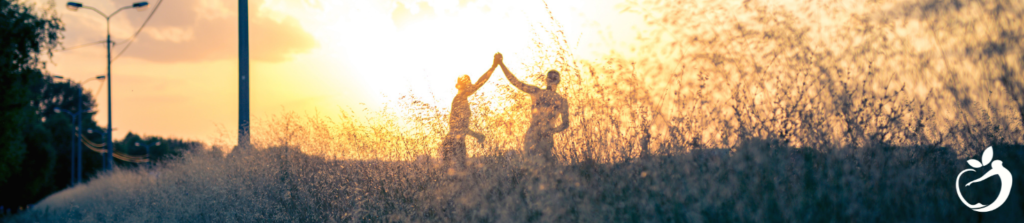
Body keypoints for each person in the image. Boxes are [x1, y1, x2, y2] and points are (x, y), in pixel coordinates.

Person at [496, 53, 569, 162]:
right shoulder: (538, 92)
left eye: (554, 78)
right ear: (547, 80)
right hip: (534, 134)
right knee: (532, 166)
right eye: (550, 77)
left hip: (544, 136)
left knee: (542, 167)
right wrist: (501, 64)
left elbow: (565, 123)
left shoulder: (560, 100)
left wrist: (552, 131)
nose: (552, 80)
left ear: (557, 81)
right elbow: (515, 82)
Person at [440, 53, 501, 166]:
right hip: (454, 143)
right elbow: (459, 128)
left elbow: (479, 83)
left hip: (456, 142)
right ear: (464, 86)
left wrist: (493, 67)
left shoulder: (461, 99)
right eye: (469, 84)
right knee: (459, 176)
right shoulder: (459, 100)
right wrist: (477, 135)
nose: (472, 86)